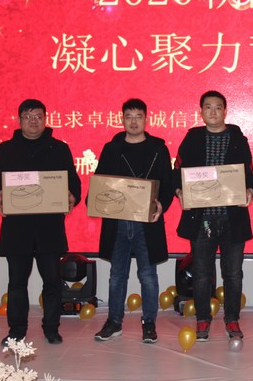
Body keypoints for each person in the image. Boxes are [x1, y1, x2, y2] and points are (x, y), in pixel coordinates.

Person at [0, 99, 81, 347]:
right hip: (17, 229)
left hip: (49, 228)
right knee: (17, 283)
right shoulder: (5, 150)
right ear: (19, 121)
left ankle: (52, 329)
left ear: (45, 119)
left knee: (52, 282)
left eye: (38, 116)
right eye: (28, 117)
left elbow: (73, 181)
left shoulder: (59, 149)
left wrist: (73, 196)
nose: (33, 121)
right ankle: (16, 331)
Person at [173, 90, 253, 341]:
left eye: (218, 107)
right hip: (202, 219)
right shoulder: (192, 138)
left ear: (225, 111)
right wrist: (180, 191)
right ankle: (202, 319)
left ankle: (232, 319)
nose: (213, 112)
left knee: (233, 273)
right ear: (201, 112)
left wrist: (250, 190)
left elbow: (249, 172)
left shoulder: (237, 138)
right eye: (208, 107)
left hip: (232, 218)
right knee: (201, 273)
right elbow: (178, 170)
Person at [91, 98, 173, 344]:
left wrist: (161, 205)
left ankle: (149, 323)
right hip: (117, 222)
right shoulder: (111, 149)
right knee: (117, 275)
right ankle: (114, 322)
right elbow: (100, 181)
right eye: (129, 116)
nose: (134, 121)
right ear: (122, 119)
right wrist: (94, 201)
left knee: (148, 275)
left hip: (147, 223)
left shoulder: (158, 148)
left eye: (138, 116)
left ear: (146, 119)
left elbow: (168, 184)